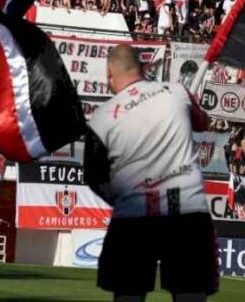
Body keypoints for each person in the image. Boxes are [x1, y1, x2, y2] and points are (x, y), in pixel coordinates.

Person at [84, 45, 217, 301]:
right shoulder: (178, 92)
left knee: (128, 294)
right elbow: (203, 123)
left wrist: (122, 198)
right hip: (185, 212)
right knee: (190, 295)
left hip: (133, 214)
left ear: (109, 73)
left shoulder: (100, 119)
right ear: (143, 69)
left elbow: (94, 177)